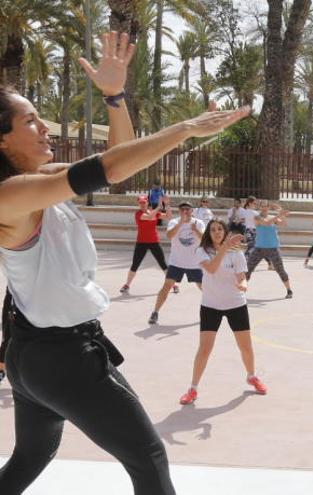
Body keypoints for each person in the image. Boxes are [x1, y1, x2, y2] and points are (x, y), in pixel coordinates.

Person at [0, 30, 248, 494]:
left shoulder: (39, 179)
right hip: (59, 357)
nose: (44, 127)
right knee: (148, 457)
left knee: (32, 456)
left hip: (39, 352)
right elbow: (109, 169)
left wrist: (116, 97)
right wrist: (186, 128)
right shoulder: (10, 196)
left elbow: (119, 162)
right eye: (30, 121)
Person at [178, 220, 267, 405]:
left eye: (220, 229)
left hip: (236, 304)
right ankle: (193, 389)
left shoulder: (237, 253)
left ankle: (252, 376)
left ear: (225, 232)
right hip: (211, 305)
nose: (216, 232)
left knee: (246, 347)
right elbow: (211, 269)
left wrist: (243, 285)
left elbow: (242, 277)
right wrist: (225, 247)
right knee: (204, 349)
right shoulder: (201, 251)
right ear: (208, 234)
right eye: (213, 230)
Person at [148, 201, 207, 324]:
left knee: (205, 288)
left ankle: (214, 310)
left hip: (194, 263)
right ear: (179, 211)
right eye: (182, 209)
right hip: (176, 262)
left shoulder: (199, 223)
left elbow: (205, 239)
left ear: (192, 211)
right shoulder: (174, 222)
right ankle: (155, 312)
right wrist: (180, 223)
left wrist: (195, 230)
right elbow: (169, 235)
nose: (185, 212)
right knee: (166, 287)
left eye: (187, 209)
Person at [120, 195, 168, 294]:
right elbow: (149, 217)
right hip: (141, 242)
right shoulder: (138, 214)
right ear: (138, 204)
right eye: (140, 203)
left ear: (147, 203)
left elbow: (168, 216)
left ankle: (173, 284)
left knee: (162, 263)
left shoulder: (153, 212)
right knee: (135, 264)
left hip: (154, 241)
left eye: (144, 202)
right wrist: (158, 207)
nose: (142, 204)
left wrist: (167, 204)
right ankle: (127, 285)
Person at [246, 201, 292, 299]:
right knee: (248, 269)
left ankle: (289, 290)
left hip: (273, 248)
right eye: (262, 206)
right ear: (260, 207)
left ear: (268, 207)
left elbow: (284, 224)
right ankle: (240, 291)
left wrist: (282, 213)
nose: (264, 208)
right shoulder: (257, 217)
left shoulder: (272, 217)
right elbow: (266, 223)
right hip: (259, 248)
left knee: (280, 269)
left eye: (265, 206)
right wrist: (279, 215)